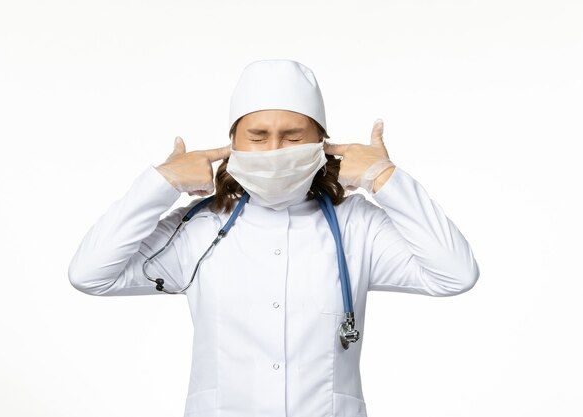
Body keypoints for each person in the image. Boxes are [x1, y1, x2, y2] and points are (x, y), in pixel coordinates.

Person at [68, 59, 480, 417]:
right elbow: (90, 274)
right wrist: (160, 183)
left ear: (322, 141)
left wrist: (386, 180)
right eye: (258, 136)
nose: (275, 150)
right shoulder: (199, 227)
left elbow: (455, 274)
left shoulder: (357, 225)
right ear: (233, 144)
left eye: (293, 136)